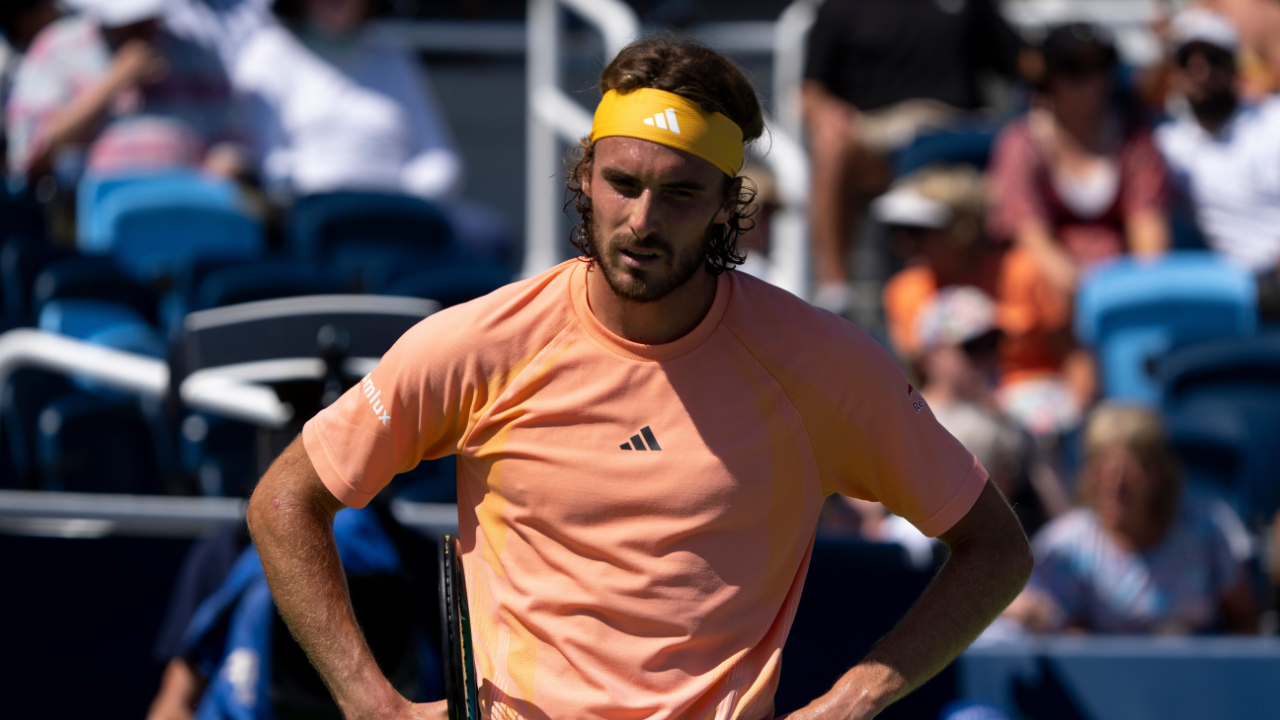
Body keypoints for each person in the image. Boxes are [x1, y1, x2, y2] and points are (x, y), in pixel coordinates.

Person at [246, 37, 1032, 720]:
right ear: (586, 177)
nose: (643, 221)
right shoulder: (481, 343)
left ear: (729, 204)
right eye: (623, 183)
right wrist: (368, 701)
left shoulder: (823, 364)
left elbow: (995, 550)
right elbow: (286, 502)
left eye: (682, 193)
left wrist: (848, 702)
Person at [986, 23, 1170, 435]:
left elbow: (1150, 244)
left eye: (1100, 67)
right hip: (1054, 302)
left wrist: (1123, 298)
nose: (1090, 81)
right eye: (1074, 69)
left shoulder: (1133, 140)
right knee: (1027, 273)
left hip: (1120, 292)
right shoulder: (1021, 143)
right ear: (1049, 79)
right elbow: (1031, 237)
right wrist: (1088, 297)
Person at [801, 0, 1028, 318]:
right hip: (875, 135)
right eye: (908, 235)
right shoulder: (838, 8)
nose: (908, 243)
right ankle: (837, 293)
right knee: (831, 145)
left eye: (915, 235)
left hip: (955, 132)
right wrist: (826, 114)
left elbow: (1023, 63)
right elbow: (811, 91)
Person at [1003, 403, 1258, 635]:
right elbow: (1059, 635)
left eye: (1129, 469)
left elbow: (1243, 618)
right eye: (1102, 468)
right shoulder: (1063, 546)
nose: (1115, 483)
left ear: (1157, 473)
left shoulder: (1210, 530)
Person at [231, 0, 462, 199]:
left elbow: (437, 157)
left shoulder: (394, 57)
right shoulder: (268, 52)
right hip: (310, 222)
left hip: (398, 219)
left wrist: (408, 199)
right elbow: (267, 159)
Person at [4, 0, 242, 181]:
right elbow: (28, 150)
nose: (140, 28)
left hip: (189, 207)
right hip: (83, 220)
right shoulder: (57, 49)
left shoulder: (195, 52)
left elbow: (231, 138)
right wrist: (114, 82)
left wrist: (223, 168)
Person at [1155, 9, 1280, 285]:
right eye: (1188, 61)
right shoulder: (1166, 145)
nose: (1202, 72)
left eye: (1214, 59)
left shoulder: (1274, 121)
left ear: (1235, 68)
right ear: (1175, 73)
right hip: (1233, 295)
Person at [874, 165, 1003, 360]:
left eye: (917, 231)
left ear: (961, 229)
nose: (904, 243)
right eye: (898, 230)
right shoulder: (903, 290)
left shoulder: (1020, 272)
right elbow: (916, 375)